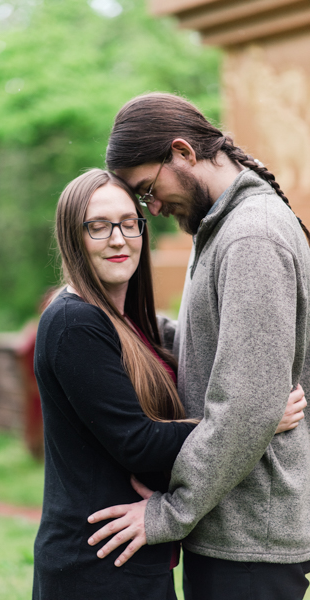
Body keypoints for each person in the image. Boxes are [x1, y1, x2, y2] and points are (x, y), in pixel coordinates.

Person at [32, 169, 305, 599]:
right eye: (98, 226)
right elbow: (137, 442)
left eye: (128, 222)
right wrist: (256, 418)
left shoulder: (128, 323)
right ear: (73, 236)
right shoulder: (74, 322)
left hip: (135, 556)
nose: (118, 238)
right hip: (96, 562)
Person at [87, 92, 310, 600]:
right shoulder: (223, 228)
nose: (155, 208)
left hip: (251, 541)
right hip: (234, 531)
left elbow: (247, 405)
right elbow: (208, 344)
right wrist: (106, 322)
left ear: (184, 153)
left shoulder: (250, 236)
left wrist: (170, 511)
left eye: (148, 190)